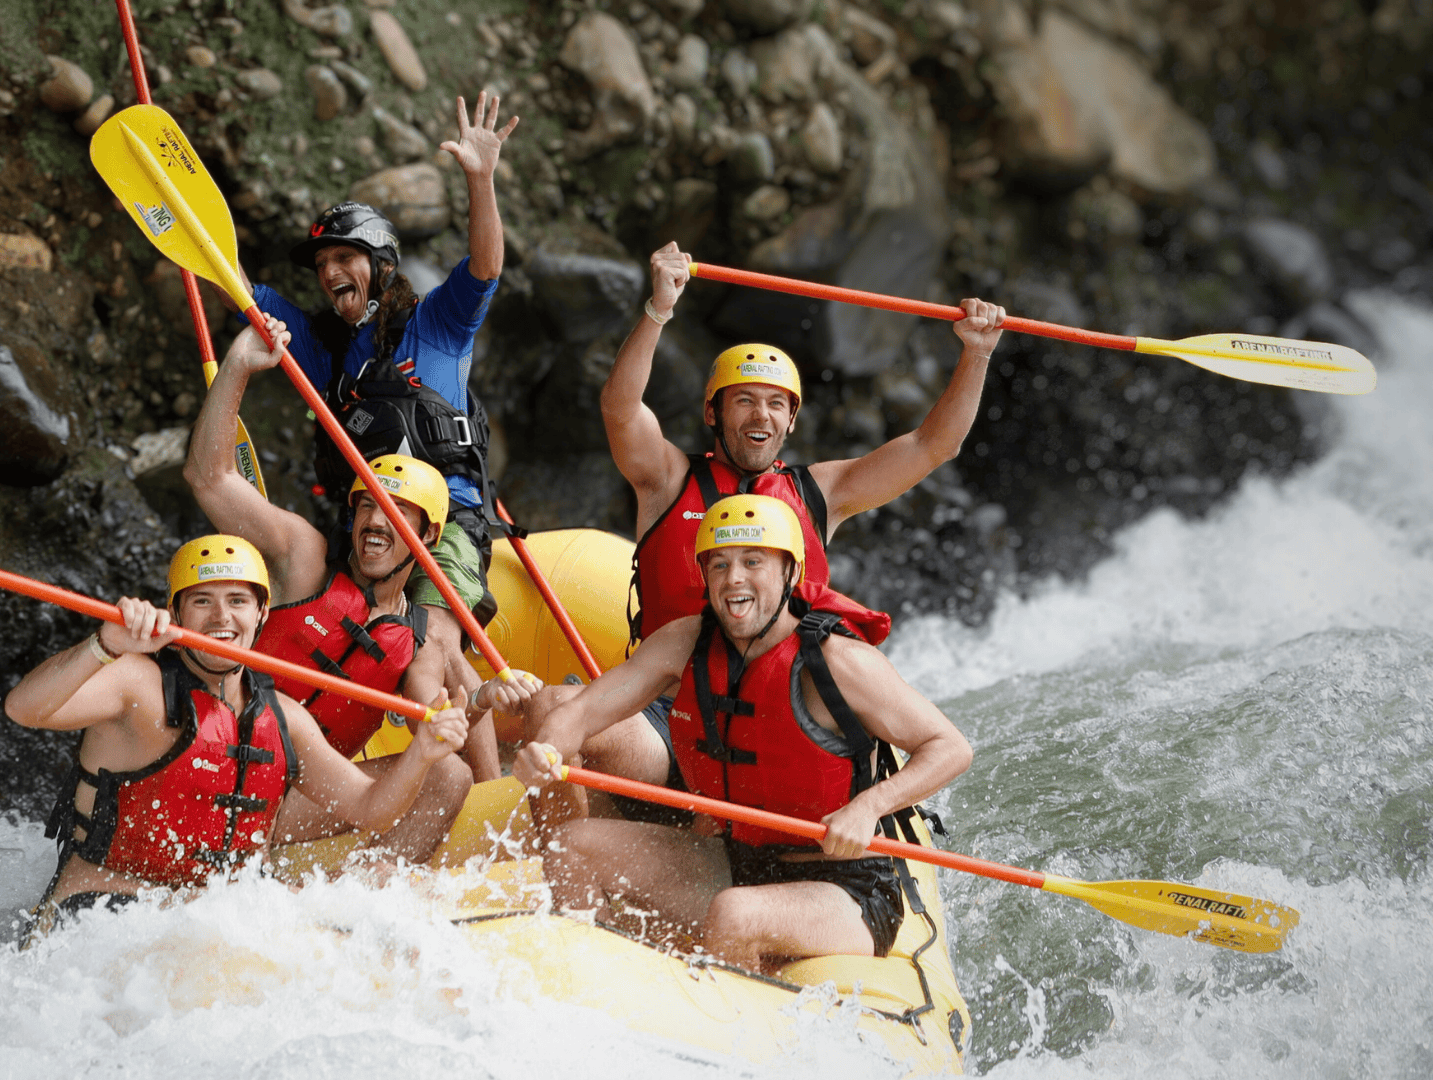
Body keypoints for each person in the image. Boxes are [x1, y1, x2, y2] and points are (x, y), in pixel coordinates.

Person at [516, 242, 1004, 804]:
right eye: (743, 400)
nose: (760, 415)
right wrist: (658, 310)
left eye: (776, 403)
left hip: (784, 718)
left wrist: (977, 353)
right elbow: (620, 408)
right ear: (712, 414)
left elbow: (932, 444)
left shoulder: (822, 492)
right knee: (554, 711)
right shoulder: (667, 479)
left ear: (791, 419)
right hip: (669, 709)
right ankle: (575, 877)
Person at [513, 496, 971, 971]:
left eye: (753, 562)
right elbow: (582, 711)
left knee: (733, 914)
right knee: (572, 844)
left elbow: (950, 747)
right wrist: (544, 749)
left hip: (845, 886)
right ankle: (592, 981)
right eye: (720, 565)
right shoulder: (685, 642)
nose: (734, 579)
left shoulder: (837, 662)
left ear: (789, 573)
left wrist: (869, 807)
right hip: (738, 860)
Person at [183, 319, 542, 855]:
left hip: (292, 805)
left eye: (398, 513)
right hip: (218, 776)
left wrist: (484, 699)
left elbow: (441, 726)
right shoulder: (304, 561)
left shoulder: (414, 640)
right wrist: (237, 366)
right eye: (367, 506)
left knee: (447, 776)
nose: (376, 522)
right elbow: (207, 476)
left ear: (429, 536)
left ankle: (372, 896)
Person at [5, 535, 471, 928]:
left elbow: (372, 809)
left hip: (219, 917)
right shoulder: (136, 683)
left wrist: (422, 753)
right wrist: (103, 644)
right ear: (178, 612)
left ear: (262, 613)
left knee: (389, 881)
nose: (221, 618)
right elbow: (24, 708)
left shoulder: (283, 718)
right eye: (202, 601)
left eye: (238, 601)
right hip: (104, 914)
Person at [210, 92, 518, 654]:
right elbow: (237, 287)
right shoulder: (322, 351)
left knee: (427, 650)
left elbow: (486, 267)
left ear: (382, 267)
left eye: (344, 258)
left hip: (444, 523)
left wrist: (481, 179)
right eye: (322, 265)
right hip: (363, 531)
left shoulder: (437, 324)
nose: (329, 273)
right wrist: (186, 225)